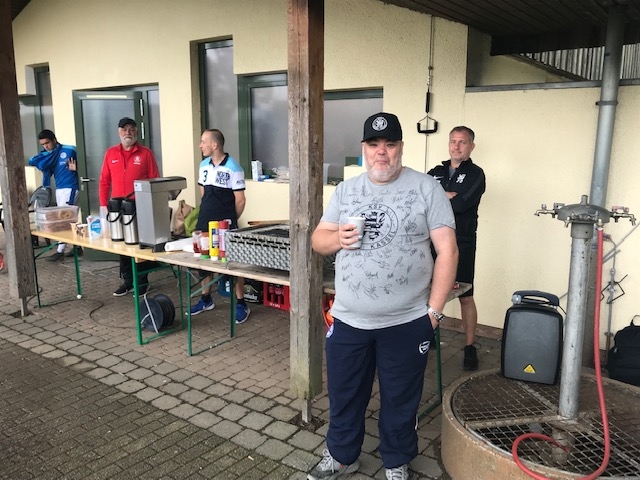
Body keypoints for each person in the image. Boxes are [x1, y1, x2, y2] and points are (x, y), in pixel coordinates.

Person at [309, 113, 458, 480]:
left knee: (401, 398)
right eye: (374, 144)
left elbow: (448, 251)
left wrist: (434, 313)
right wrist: (337, 238)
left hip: (407, 321)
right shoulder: (346, 190)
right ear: (364, 148)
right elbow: (318, 240)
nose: (381, 152)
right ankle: (342, 456)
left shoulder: (426, 188)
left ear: (400, 148)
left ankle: (395, 461)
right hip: (349, 318)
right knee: (344, 394)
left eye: (390, 144)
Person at [428, 126, 486, 371]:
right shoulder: (435, 172)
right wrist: (448, 195)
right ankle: (429, 335)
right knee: (429, 293)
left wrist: (442, 197)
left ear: (471, 146)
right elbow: (422, 200)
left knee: (465, 296)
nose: (457, 146)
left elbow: (461, 205)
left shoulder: (476, 174)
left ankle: (470, 347)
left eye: (462, 142)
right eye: (453, 141)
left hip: (462, 242)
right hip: (432, 242)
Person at [189, 129, 250, 324]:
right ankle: (206, 299)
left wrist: (229, 220)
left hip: (226, 224)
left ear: (214, 145)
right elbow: (203, 192)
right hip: (205, 220)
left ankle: (241, 303)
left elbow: (240, 200)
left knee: (232, 263)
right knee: (204, 260)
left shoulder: (234, 167)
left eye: (203, 142)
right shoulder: (203, 165)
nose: (200, 145)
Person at [99, 117, 160, 296]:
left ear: (136, 132)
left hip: (140, 206)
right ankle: (128, 281)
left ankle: (142, 282)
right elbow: (104, 181)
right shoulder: (111, 153)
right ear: (119, 132)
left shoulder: (146, 153)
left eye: (132, 129)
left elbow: (154, 179)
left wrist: (152, 206)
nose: (128, 133)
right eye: (124, 129)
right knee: (122, 246)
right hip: (117, 207)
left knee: (140, 246)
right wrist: (103, 205)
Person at [28, 130, 81, 261]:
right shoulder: (48, 156)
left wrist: (77, 169)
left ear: (54, 140)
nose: (45, 146)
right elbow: (37, 163)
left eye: (47, 143)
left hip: (71, 187)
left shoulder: (70, 150)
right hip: (59, 188)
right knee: (70, 218)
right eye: (43, 144)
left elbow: (86, 164)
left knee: (64, 218)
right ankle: (77, 247)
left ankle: (60, 251)